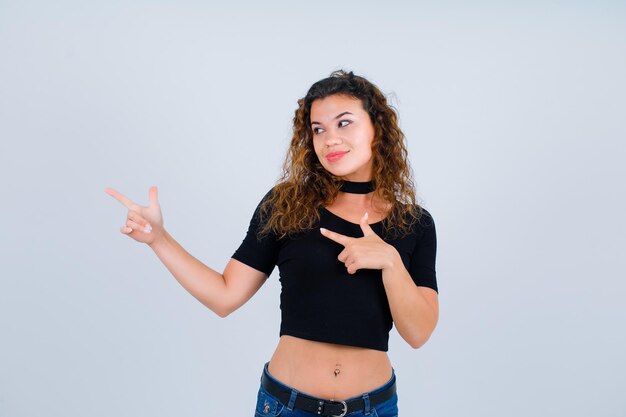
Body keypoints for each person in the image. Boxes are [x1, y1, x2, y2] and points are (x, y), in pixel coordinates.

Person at [105, 69, 439, 417]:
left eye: (344, 123)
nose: (329, 139)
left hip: (374, 409)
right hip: (286, 405)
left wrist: (390, 262)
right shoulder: (286, 206)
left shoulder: (414, 224)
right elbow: (224, 295)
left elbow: (418, 333)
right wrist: (159, 239)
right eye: (318, 129)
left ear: (377, 129)